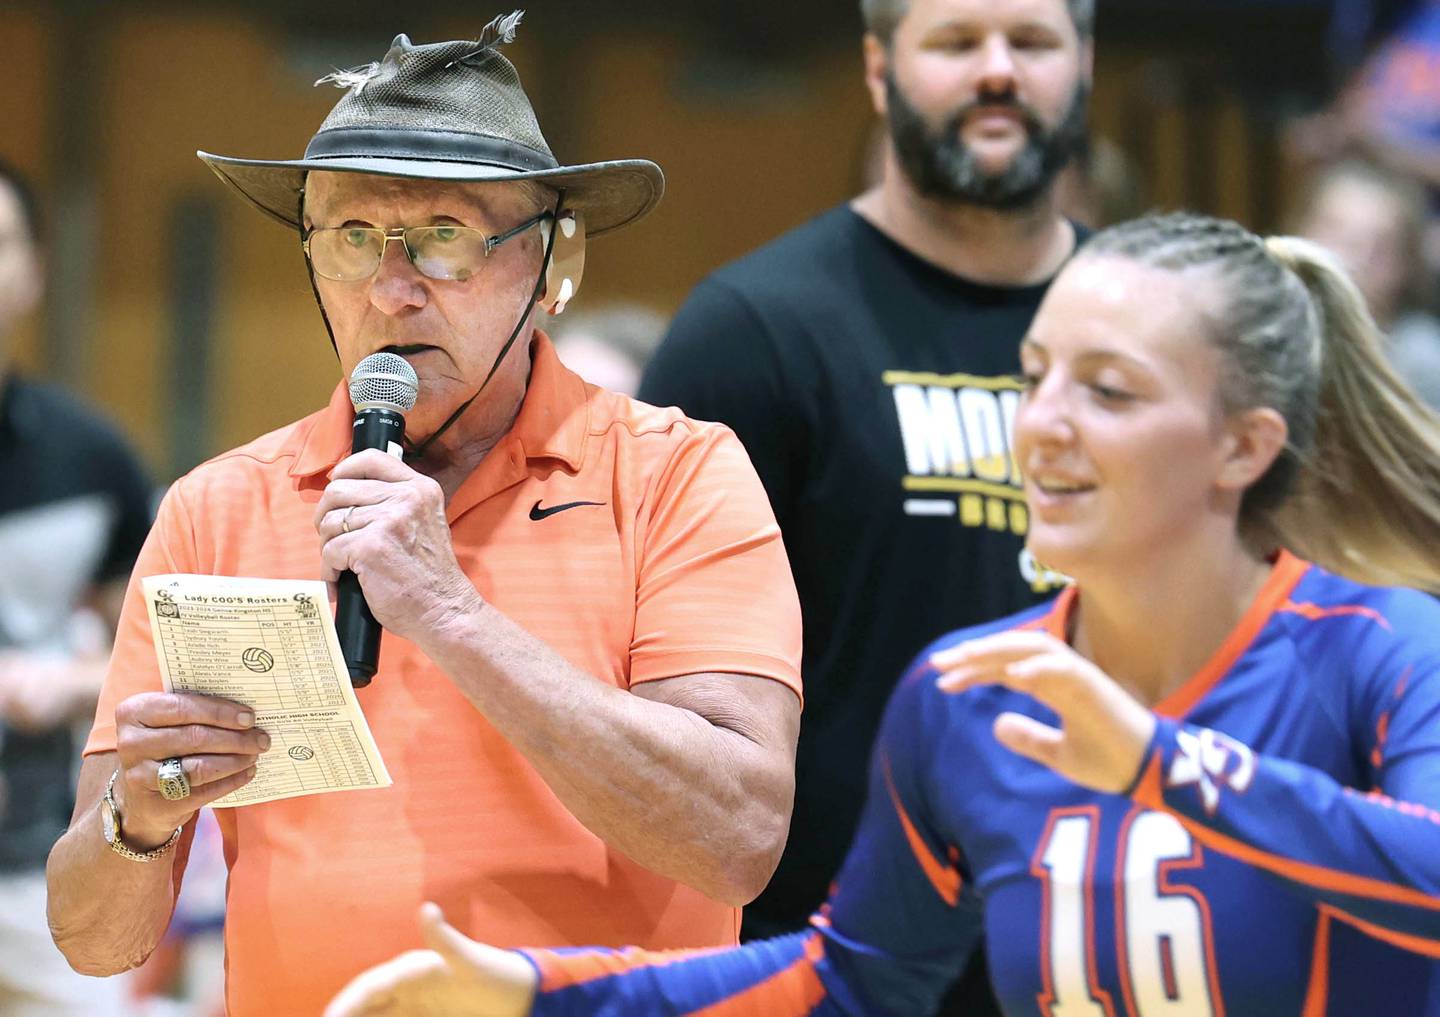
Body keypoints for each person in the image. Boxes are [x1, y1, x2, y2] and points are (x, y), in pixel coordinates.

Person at [326, 210, 1440, 1016]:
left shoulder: (1384, 653)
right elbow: (849, 977)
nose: (1042, 422)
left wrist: (1160, 763)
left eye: (1107, 390)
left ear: (1245, 445)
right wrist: (538, 993)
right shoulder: (971, 694)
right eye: (1037, 373)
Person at [45, 15, 803, 1017]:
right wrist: (137, 817)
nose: (393, 290)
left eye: (445, 238)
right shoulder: (215, 508)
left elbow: (737, 837)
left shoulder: (677, 475)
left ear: (550, 264)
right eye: (354, 237)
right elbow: (97, 942)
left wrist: (452, 616)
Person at [637, 0, 1092, 1006]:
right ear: (880, 72)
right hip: (822, 954)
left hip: (1100, 947)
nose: (999, 71)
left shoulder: (1150, 329)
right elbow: (647, 674)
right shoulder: (754, 331)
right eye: (957, 42)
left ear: (1085, 61)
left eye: (1033, 40)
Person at [0, 162, 153, 1015]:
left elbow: (158, 654)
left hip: (40, 871)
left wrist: (70, 682)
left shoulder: (90, 456)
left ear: (33, 271)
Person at [1292, 158, 1440, 408]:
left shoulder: (1421, 359)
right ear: (1296, 232)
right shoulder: (1257, 331)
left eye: (1378, 248)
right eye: (1334, 232)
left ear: (1405, 267)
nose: (1351, 260)